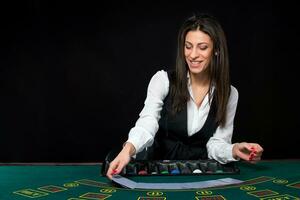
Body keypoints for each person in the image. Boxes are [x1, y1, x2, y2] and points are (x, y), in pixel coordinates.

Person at [106, 13, 263, 179]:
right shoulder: (162, 80)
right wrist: (128, 149)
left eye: (202, 47)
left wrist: (234, 149)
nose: (193, 55)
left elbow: (216, 144)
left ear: (216, 50)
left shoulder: (230, 93)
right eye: (188, 46)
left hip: (199, 174)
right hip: (156, 171)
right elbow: (148, 122)